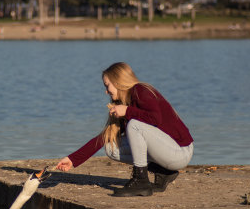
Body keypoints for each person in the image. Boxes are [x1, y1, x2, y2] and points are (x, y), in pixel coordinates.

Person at [56, 62, 193, 197]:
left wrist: (127, 111)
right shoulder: (123, 103)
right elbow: (104, 138)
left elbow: (155, 118)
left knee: (134, 125)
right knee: (111, 147)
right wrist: (72, 159)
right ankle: (163, 172)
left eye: (107, 85)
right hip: (166, 152)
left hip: (180, 152)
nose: (106, 91)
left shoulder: (141, 91)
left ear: (117, 82)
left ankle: (141, 181)